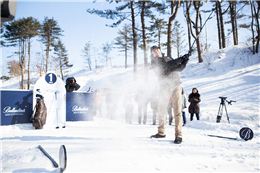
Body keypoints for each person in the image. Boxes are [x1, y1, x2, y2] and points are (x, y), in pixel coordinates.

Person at [150, 45, 189, 144]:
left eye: (156, 50)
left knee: (177, 111)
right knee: (161, 110)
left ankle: (178, 135)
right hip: (164, 88)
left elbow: (179, 68)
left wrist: (185, 60)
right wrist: (180, 58)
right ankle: (161, 132)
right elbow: (168, 67)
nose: (155, 52)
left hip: (176, 86)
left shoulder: (168, 58)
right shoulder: (154, 63)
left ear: (159, 50)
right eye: (153, 51)